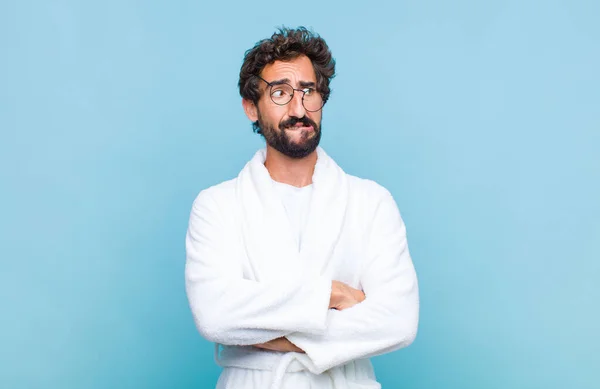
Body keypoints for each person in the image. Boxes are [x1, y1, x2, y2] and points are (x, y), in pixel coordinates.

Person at [185, 26, 419, 389]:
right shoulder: (217, 206)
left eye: (309, 92)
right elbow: (216, 315)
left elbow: (398, 321)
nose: (299, 108)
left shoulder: (371, 202)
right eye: (280, 92)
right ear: (251, 107)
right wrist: (332, 294)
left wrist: (273, 334)